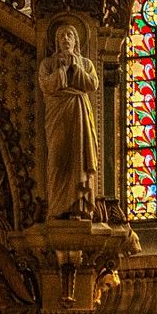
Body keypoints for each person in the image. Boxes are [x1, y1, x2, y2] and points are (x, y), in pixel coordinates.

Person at [38, 22, 103, 219]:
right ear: (57, 42)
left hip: (79, 113)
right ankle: (57, 209)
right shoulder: (48, 64)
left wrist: (75, 67)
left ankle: (78, 207)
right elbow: (45, 85)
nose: (65, 39)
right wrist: (63, 70)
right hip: (57, 115)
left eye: (69, 35)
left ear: (76, 40)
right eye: (61, 36)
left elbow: (93, 84)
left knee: (79, 159)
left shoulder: (86, 63)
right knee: (57, 160)